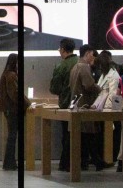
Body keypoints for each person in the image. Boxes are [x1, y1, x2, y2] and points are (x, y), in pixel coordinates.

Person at [70, 44, 106, 170]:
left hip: (76, 105)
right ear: (87, 53)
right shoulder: (84, 67)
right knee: (89, 135)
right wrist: (100, 89)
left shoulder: (75, 67)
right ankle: (96, 161)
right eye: (92, 53)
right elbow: (88, 85)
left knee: (83, 137)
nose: (93, 56)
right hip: (84, 105)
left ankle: (87, 162)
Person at [50, 38, 79, 171]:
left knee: (66, 135)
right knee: (80, 135)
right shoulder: (81, 63)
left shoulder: (61, 66)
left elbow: (54, 88)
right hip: (81, 104)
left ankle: (65, 163)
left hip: (66, 103)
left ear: (62, 49)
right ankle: (79, 162)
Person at [0, 53, 29, 171]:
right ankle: (10, 163)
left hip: (9, 109)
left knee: (12, 135)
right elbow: (15, 94)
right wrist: (28, 104)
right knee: (13, 136)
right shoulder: (11, 75)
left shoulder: (6, 74)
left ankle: (9, 162)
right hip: (13, 109)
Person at [96, 51, 121, 167]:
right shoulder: (104, 75)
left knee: (113, 135)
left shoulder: (114, 76)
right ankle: (104, 157)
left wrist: (108, 109)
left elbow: (113, 95)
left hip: (110, 109)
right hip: (102, 108)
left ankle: (111, 158)